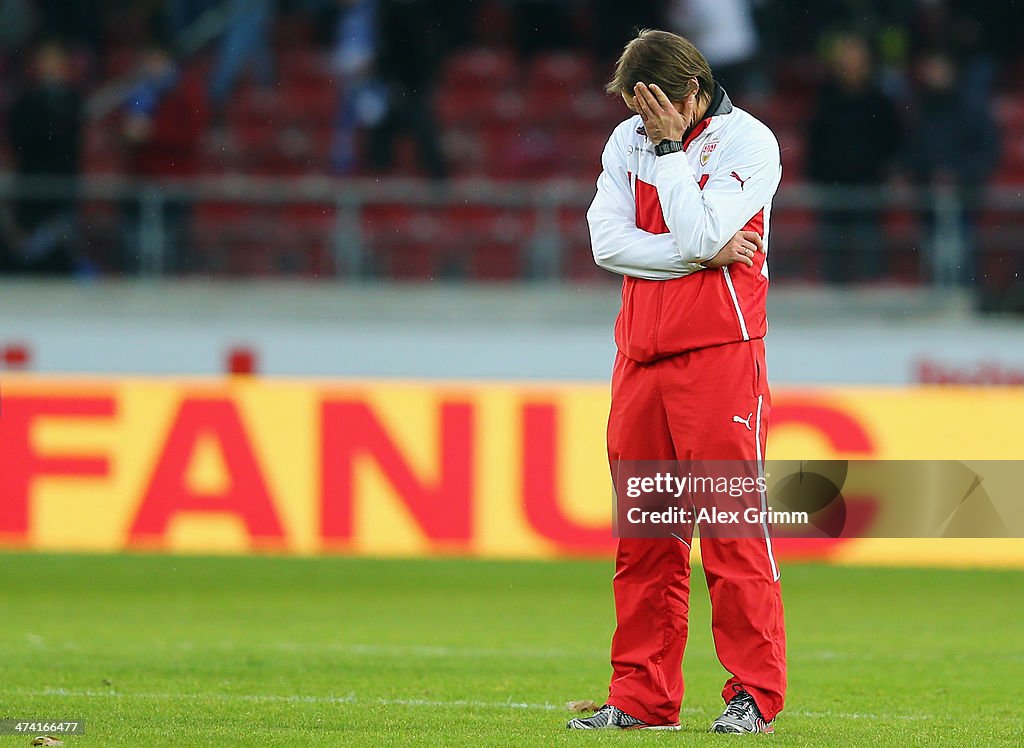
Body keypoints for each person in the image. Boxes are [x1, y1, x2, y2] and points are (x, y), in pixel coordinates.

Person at [566, 29, 785, 733]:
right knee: (645, 540)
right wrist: (698, 254)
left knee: (731, 532)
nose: (642, 120)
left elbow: (697, 233)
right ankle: (641, 697)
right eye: (635, 107)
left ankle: (754, 694)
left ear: (692, 90)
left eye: (654, 105)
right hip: (639, 357)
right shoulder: (626, 138)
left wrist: (668, 158)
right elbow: (607, 244)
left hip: (719, 355)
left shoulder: (750, 143)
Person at [807, 34, 902, 283]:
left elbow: (892, 143)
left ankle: (872, 290)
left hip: (868, 186)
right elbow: (816, 141)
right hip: (831, 185)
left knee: (869, 247)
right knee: (832, 252)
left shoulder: (880, 101)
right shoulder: (825, 99)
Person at [3, 40, 84, 274]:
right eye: (44, 60)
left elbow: (72, 143)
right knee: (28, 257)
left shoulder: (73, 100)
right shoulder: (25, 100)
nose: (48, 65)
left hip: (61, 189)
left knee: (58, 257)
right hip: (32, 188)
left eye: (54, 60)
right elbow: (18, 139)